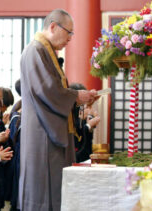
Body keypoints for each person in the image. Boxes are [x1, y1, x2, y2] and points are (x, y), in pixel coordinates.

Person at [18, 9, 98, 211]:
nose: (70, 39)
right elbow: (47, 90)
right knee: (43, 192)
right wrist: (75, 96)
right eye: (69, 32)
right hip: (42, 132)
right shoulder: (35, 51)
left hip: (48, 128)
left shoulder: (45, 52)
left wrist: (78, 98)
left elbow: (56, 90)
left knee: (55, 188)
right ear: (53, 26)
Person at [70, 83, 101, 162]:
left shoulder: (82, 110)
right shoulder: (69, 113)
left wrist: (90, 125)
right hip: (76, 156)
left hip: (86, 155)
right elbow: (76, 135)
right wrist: (89, 125)